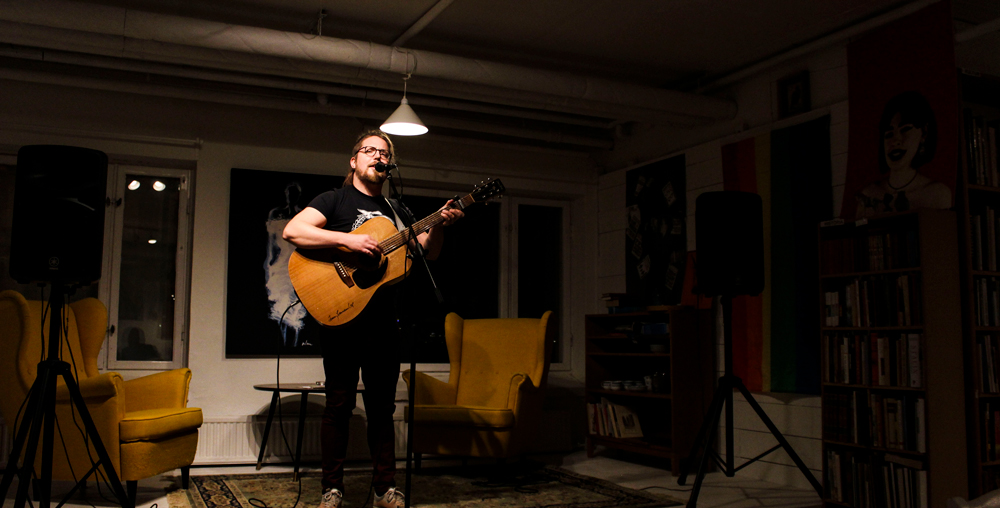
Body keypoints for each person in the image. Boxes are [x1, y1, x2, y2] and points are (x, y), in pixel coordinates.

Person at [282, 130, 464, 508]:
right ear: (354, 161)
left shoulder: (398, 211)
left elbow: (427, 254)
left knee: (382, 408)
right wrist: (348, 241)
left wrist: (439, 224)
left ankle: (384, 490)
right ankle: (332, 489)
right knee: (339, 406)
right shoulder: (334, 199)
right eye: (370, 150)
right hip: (342, 319)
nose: (378, 157)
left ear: (389, 165)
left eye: (384, 153)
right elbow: (293, 230)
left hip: (383, 323)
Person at [855, 90, 951, 218]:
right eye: (889, 134)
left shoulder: (936, 193)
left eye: (905, 129)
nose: (895, 141)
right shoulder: (869, 194)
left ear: (924, 132)